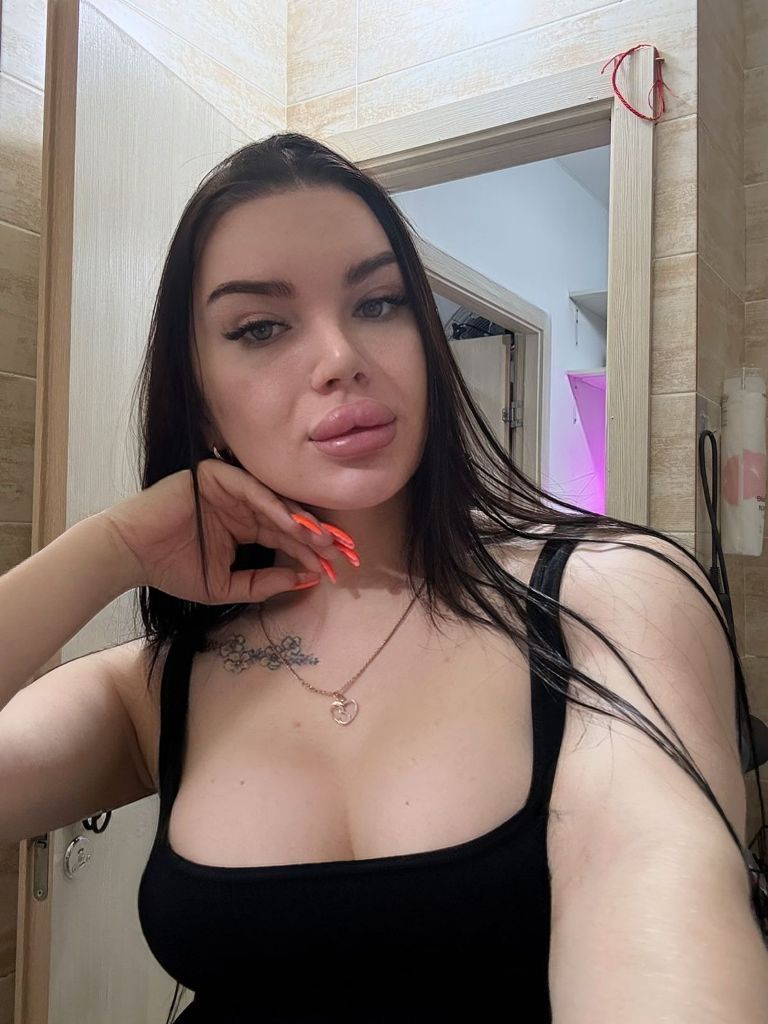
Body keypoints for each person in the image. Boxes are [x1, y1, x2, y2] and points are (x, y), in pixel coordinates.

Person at [1, 133, 766, 1023]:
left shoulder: (606, 597)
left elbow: (655, 895)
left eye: (379, 302)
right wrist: (108, 549)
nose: (339, 357)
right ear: (201, 402)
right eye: (260, 327)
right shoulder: (158, 684)